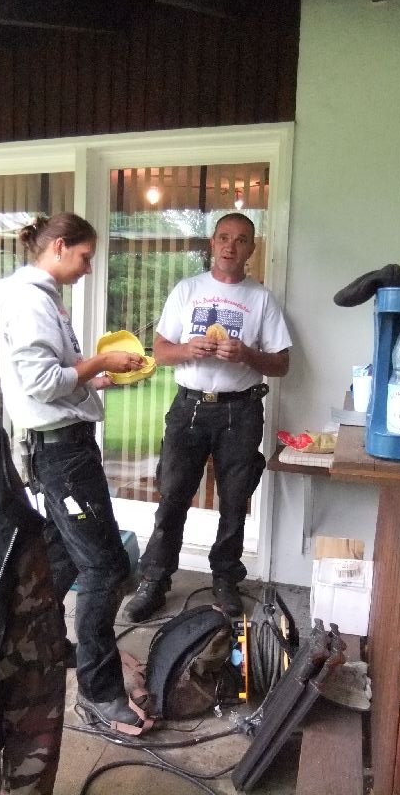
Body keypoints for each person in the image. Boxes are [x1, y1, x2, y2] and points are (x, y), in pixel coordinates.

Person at [0, 212, 149, 732]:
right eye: (84, 256)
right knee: (105, 569)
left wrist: (93, 381)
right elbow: (40, 383)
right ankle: (99, 693)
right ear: (59, 246)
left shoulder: (43, 298)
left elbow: (55, 379)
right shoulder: (31, 301)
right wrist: (100, 364)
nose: (88, 267)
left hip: (64, 449)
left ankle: (32, 647)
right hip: (62, 458)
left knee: (59, 557)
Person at [123, 212, 292, 622]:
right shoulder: (188, 290)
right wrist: (188, 349)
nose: (231, 246)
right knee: (173, 496)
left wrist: (246, 354)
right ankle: (154, 581)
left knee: (234, 500)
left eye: (241, 239)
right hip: (189, 408)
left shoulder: (261, 299)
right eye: (224, 237)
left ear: (251, 249)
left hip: (241, 410)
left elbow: (282, 364)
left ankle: (225, 579)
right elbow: (161, 351)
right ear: (212, 243)